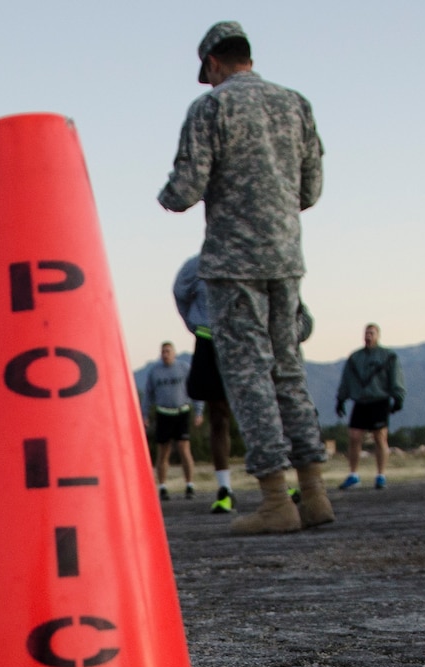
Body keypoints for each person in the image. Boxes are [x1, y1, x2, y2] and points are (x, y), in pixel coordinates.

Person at [158, 22, 329, 537]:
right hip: (285, 257)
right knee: (288, 372)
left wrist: (165, 197)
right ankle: (315, 492)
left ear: (212, 63)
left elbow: (185, 189)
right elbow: (312, 188)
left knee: (249, 376)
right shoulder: (295, 103)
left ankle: (277, 498)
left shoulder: (212, 108)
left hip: (234, 263)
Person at [174, 255, 236, 513]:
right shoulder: (195, 265)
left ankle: (276, 481)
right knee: (218, 416)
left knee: (262, 409)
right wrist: (196, 323)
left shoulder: (251, 252)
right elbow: (179, 292)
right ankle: (225, 489)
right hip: (209, 341)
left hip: (244, 339)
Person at [333, 324, 405, 489]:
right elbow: (346, 379)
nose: (368, 336)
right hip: (360, 401)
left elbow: (396, 376)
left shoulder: (388, 356)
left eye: (371, 333)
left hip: (379, 400)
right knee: (354, 436)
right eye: (366, 333)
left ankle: (381, 475)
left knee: (380, 437)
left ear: (378, 335)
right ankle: (353, 475)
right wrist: (341, 399)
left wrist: (398, 397)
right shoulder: (355, 358)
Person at [142, 342, 197, 500]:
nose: (165, 354)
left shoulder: (184, 368)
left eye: (168, 351)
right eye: (163, 351)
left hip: (182, 411)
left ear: (174, 352)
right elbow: (148, 395)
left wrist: (198, 412)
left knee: (183, 447)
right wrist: (144, 414)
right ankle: (163, 486)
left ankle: (189, 484)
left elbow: (194, 390)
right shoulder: (154, 372)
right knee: (163, 450)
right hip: (163, 413)